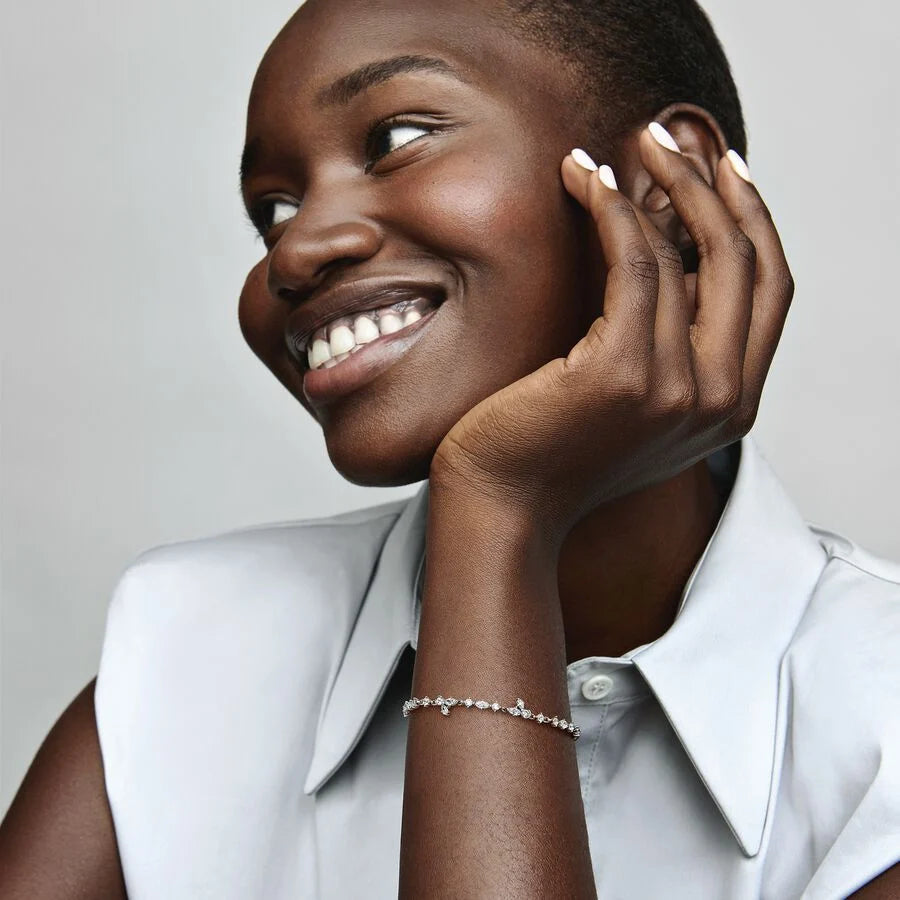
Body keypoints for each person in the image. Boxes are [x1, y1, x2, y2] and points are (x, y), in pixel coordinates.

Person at [1, 0, 898, 896]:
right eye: (273, 208)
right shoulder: (188, 652)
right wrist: (495, 513)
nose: (295, 252)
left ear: (667, 176)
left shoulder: (880, 722)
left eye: (394, 138)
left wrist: (497, 510)